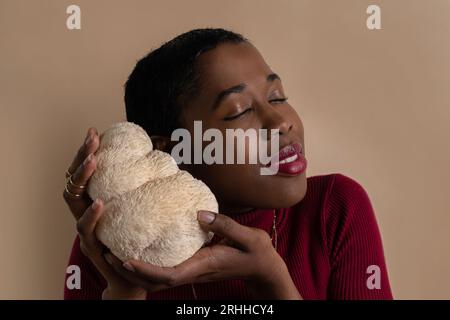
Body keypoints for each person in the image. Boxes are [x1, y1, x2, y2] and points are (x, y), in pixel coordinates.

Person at [62, 28, 393, 300]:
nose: (280, 123)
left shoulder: (335, 207)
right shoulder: (112, 233)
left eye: (277, 96)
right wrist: (124, 287)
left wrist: (273, 281)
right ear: (174, 149)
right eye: (238, 111)